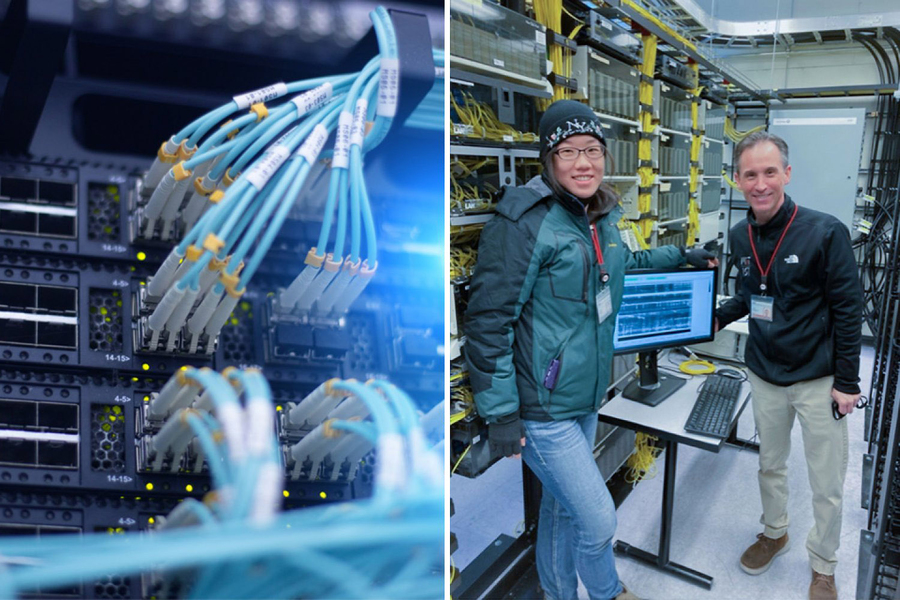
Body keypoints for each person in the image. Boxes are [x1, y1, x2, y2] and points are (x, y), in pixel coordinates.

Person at [464, 99, 717, 600]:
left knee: (562, 511)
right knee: (599, 518)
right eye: (570, 151)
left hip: (583, 393)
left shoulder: (598, 212)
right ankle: (607, 593)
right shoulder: (523, 222)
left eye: (594, 150)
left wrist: (681, 255)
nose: (584, 162)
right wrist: (501, 414)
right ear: (549, 157)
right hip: (541, 406)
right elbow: (489, 321)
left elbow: (623, 260)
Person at [715, 131, 863, 600]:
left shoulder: (824, 231)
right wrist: (704, 319)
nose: (761, 183)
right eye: (751, 174)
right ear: (738, 180)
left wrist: (847, 381)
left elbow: (848, 308)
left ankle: (823, 564)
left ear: (787, 174)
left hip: (818, 380)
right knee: (770, 466)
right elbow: (749, 298)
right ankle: (774, 532)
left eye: (770, 172)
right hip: (764, 373)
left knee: (826, 481)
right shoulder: (740, 236)